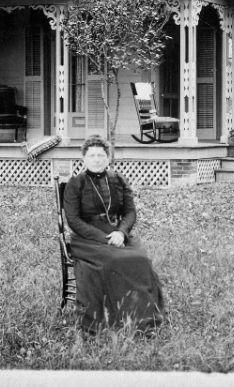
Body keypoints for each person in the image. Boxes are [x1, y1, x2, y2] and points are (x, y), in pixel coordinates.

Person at [62, 135, 165, 335]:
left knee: (141, 259)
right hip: (88, 238)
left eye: (101, 155)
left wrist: (121, 232)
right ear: (84, 159)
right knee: (114, 260)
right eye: (92, 155)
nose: (97, 160)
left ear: (108, 157)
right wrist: (104, 238)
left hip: (117, 233)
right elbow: (73, 220)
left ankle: (142, 318)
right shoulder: (76, 183)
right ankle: (115, 319)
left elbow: (130, 212)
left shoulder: (118, 179)